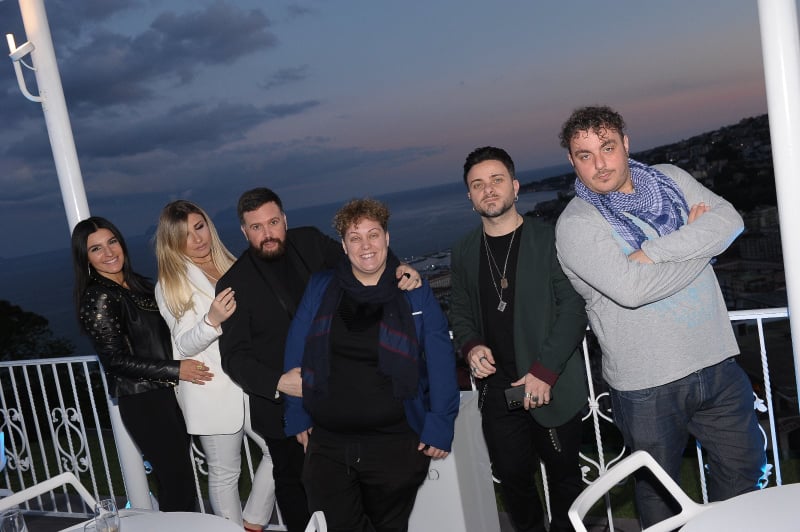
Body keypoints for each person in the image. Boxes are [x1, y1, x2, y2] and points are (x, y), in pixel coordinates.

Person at [555, 105, 766, 527]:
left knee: (744, 470)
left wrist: (653, 252)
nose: (600, 164)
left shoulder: (670, 178)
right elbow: (632, 290)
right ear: (572, 161)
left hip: (717, 362)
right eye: (585, 155)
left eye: (607, 147)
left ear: (625, 143)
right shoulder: (576, 224)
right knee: (658, 496)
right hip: (647, 385)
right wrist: (701, 245)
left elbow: (730, 220)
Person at [217, 187, 422, 532]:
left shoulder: (310, 242)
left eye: (273, 222)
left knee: (358, 492)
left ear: (284, 219)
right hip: (283, 412)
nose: (268, 234)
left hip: (340, 398)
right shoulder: (234, 282)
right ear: (243, 230)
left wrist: (399, 269)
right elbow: (234, 357)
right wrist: (279, 382)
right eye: (256, 227)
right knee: (299, 495)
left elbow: (362, 257)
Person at [282, 198, 459, 532]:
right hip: (329, 443)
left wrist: (441, 424)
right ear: (344, 246)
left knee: (389, 526)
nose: (365, 245)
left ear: (387, 238)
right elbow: (296, 351)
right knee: (334, 523)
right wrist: (297, 413)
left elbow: (440, 361)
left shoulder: (413, 291)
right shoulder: (321, 287)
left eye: (373, 235)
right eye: (355, 237)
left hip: (395, 444)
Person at [450, 147, 589, 532]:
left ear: (515, 186)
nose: (488, 190)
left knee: (565, 481)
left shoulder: (549, 239)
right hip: (498, 393)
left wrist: (544, 371)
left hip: (548, 384)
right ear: (470, 196)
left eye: (496, 180)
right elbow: (460, 310)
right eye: (478, 184)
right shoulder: (463, 251)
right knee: (513, 481)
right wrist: (471, 345)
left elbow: (573, 308)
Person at [154, 200, 276, 530]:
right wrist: (212, 320)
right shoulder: (170, 283)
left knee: (280, 448)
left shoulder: (232, 265)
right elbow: (182, 344)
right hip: (210, 388)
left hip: (248, 380)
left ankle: (253, 521)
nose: (197, 239)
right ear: (172, 241)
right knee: (225, 473)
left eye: (199, 227)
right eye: (185, 234)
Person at [71, 216, 204, 512]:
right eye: (96, 249)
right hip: (144, 402)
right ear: (86, 258)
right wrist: (177, 369)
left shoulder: (137, 285)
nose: (108, 252)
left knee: (178, 483)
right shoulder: (99, 296)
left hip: (165, 394)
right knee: (178, 485)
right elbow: (115, 361)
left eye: (112, 242)